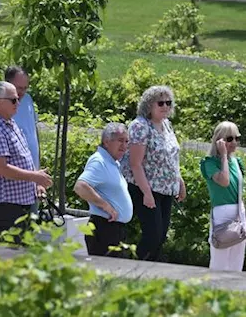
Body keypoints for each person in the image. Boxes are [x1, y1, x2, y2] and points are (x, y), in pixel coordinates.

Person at [0, 81, 53, 242]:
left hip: (22, 204)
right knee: (8, 259)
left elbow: (24, 156)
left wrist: (37, 182)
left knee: (23, 259)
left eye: (18, 99)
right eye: (13, 100)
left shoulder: (9, 122)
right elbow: (2, 168)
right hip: (6, 207)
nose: (18, 103)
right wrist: (35, 177)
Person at [120, 85, 186, 261]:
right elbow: (135, 163)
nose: (165, 106)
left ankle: (151, 272)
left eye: (169, 103)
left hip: (166, 189)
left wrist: (179, 181)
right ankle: (135, 269)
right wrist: (147, 193)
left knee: (161, 236)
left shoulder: (167, 125)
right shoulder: (140, 126)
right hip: (146, 188)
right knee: (153, 236)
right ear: (149, 105)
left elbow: (171, 156)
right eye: (161, 103)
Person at [202, 121, 246, 271]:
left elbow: (239, 194)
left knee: (236, 263)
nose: (234, 143)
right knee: (219, 262)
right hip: (221, 214)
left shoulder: (237, 162)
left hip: (239, 213)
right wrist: (224, 156)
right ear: (219, 140)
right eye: (229, 139)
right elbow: (224, 181)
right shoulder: (209, 163)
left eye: (236, 138)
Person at [73, 123, 133, 256]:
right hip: (104, 228)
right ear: (106, 142)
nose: (124, 146)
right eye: (120, 141)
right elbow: (80, 186)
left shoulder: (112, 162)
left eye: (126, 141)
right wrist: (106, 206)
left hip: (115, 230)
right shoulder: (99, 161)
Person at [0, 66, 40, 171]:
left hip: (32, 171)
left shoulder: (28, 99)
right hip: (11, 177)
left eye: (25, 88)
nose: (22, 92)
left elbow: (33, 130)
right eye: (19, 88)